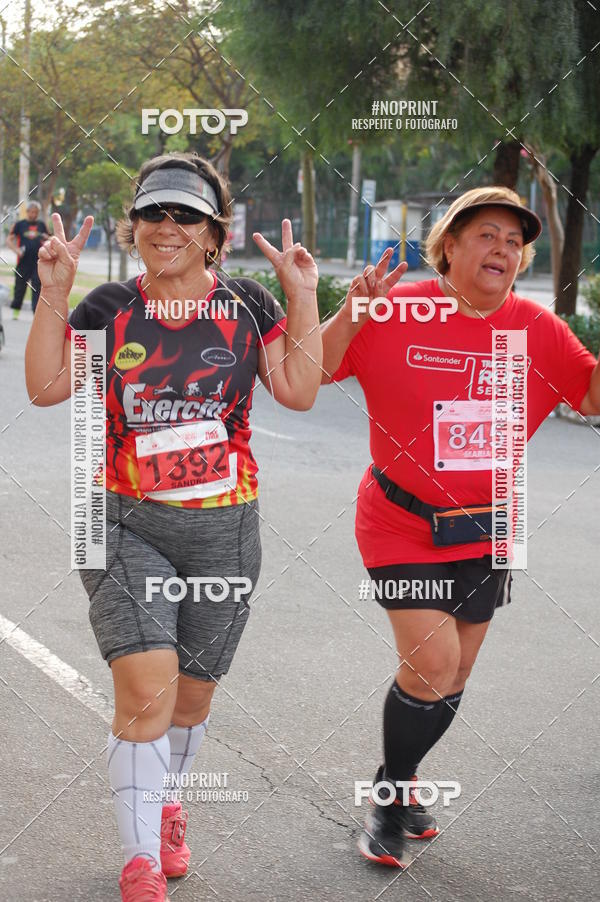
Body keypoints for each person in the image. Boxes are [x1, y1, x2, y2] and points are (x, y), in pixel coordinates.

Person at [24, 151, 322, 901]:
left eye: (186, 214)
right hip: (124, 523)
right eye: (154, 212)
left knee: (191, 699)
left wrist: (304, 293)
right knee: (147, 691)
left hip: (225, 530)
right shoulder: (108, 309)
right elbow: (46, 387)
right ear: (134, 226)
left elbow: (299, 390)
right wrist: (53, 294)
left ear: (214, 233)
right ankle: (139, 861)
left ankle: (165, 805)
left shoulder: (249, 306)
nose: (168, 226)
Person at [321, 186, 600, 867]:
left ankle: (404, 782)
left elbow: (590, 396)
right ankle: (387, 801)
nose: (502, 249)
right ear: (448, 246)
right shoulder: (398, 306)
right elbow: (319, 368)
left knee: (457, 670)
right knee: (433, 661)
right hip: (398, 519)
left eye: (514, 242)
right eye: (486, 235)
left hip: (486, 524)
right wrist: (350, 312)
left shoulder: (537, 329)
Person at [8, 200, 49, 317]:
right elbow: (9, 239)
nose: (33, 214)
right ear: (27, 212)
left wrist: (47, 238)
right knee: (19, 288)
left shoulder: (42, 225)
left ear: (38, 213)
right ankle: (15, 312)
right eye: (31, 212)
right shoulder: (20, 224)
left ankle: (35, 314)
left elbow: (50, 239)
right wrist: (16, 250)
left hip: (38, 263)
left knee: (37, 288)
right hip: (22, 263)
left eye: (36, 212)